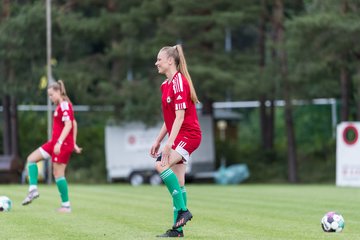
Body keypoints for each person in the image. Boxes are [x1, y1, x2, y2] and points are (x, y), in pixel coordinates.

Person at [150, 44, 202, 238]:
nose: (156, 63)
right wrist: (157, 140)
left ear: (170, 61)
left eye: (159, 59)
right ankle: (177, 230)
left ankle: (182, 211)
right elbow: (169, 119)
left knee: (161, 165)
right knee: (179, 182)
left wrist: (169, 144)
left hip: (189, 135)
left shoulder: (180, 81)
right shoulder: (165, 85)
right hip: (179, 134)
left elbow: (180, 118)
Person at [22, 80, 82, 213]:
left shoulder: (65, 105)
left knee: (58, 174)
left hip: (62, 144)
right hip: (54, 143)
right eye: (48, 95)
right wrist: (75, 142)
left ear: (59, 92)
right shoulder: (60, 106)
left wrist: (63, 142)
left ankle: (66, 206)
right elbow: (74, 123)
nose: (50, 98)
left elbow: (69, 125)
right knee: (31, 159)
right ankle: (33, 190)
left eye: (51, 95)